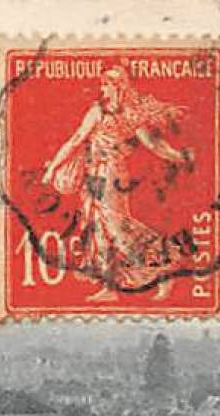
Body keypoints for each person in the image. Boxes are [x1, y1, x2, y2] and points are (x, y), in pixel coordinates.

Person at [39, 67, 192, 301]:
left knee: (117, 227)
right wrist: (54, 167)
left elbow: (153, 144)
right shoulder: (103, 111)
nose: (102, 89)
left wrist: (180, 157)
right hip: (94, 174)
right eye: (103, 85)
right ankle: (110, 287)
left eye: (106, 85)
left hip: (110, 175)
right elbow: (77, 140)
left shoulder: (126, 114)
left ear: (117, 86)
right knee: (99, 228)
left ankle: (164, 267)